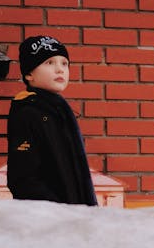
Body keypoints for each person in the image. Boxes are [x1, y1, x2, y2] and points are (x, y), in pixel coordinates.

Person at [7, 34, 97, 206]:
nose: (60, 69)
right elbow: (23, 178)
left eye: (64, 63)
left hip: (72, 214)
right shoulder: (28, 113)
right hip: (51, 219)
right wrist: (56, 211)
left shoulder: (60, 112)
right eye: (49, 63)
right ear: (29, 74)